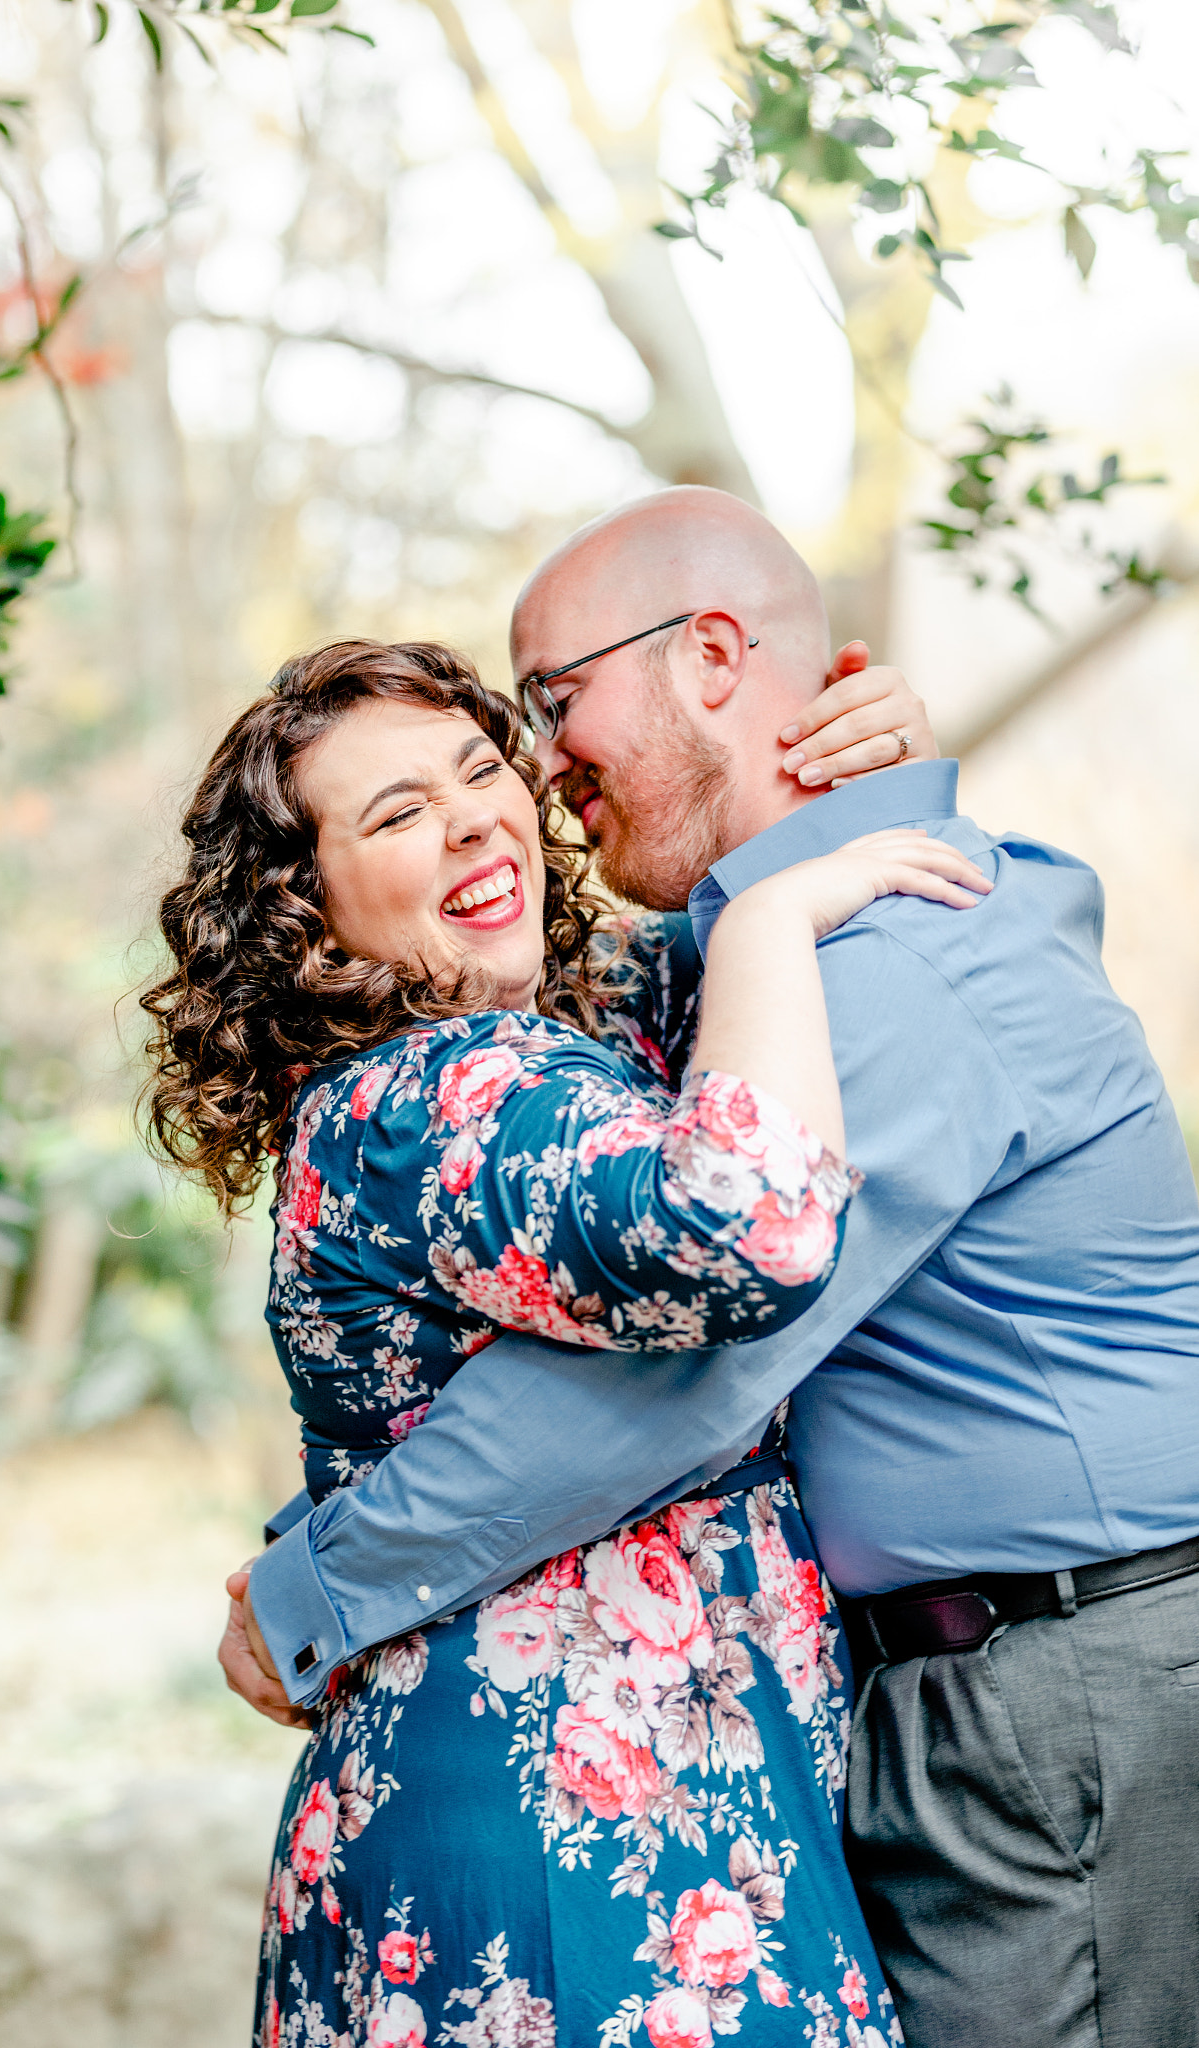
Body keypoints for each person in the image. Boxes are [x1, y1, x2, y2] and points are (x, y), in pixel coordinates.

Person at [230, 489, 1199, 2048]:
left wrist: (312, 1585)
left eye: (539, 712)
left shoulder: (876, 957)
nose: (534, 776)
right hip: (906, 1705)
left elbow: (676, 1383)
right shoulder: (717, 973)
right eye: (402, 808)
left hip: (1050, 1685)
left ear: (712, 657)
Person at [142, 637, 985, 2044]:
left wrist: (839, 770)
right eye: (398, 813)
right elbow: (751, 1226)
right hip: (576, 1859)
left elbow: (698, 972)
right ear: (312, 920)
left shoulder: (540, 1047)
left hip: (596, 1821)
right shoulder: (441, 1089)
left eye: (483, 771)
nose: (475, 815)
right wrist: (776, 919)